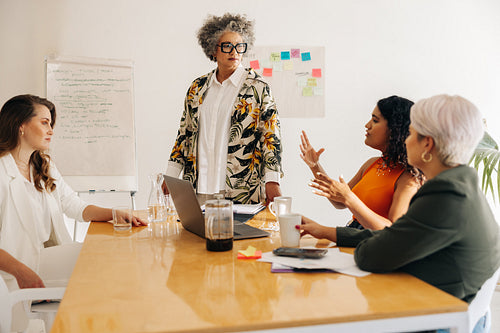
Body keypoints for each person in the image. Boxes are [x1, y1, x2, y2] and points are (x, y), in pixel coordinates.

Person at [300, 95, 500, 312]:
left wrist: (348, 227)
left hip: (429, 315)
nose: (405, 140)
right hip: (438, 304)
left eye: (411, 133)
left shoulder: (443, 194)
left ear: (427, 143)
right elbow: (397, 235)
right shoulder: (462, 186)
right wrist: (327, 231)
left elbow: (372, 254)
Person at [0, 94, 147, 330]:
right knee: (108, 269)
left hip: (44, 259)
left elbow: (74, 206)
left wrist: (114, 213)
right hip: (15, 271)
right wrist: (21, 271)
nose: (51, 130)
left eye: (51, 124)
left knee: (114, 256)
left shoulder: (42, 166)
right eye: (44, 122)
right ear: (21, 125)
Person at [165, 13, 283, 205]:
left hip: (241, 188)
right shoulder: (198, 87)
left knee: (240, 235)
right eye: (227, 46)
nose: (234, 52)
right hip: (198, 187)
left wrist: (272, 180)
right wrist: (171, 175)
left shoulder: (258, 88)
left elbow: (271, 137)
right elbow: (184, 134)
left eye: (239, 46)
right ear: (213, 49)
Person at [300, 96, 422, 230]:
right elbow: (339, 201)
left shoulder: (409, 177)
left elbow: (394, 230)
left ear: (395, 129)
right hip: (352, 236)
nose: (367, 125)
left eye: (375, 120)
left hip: (373, 244)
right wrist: (315, 165)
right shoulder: (372, 164)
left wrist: (349, 198)